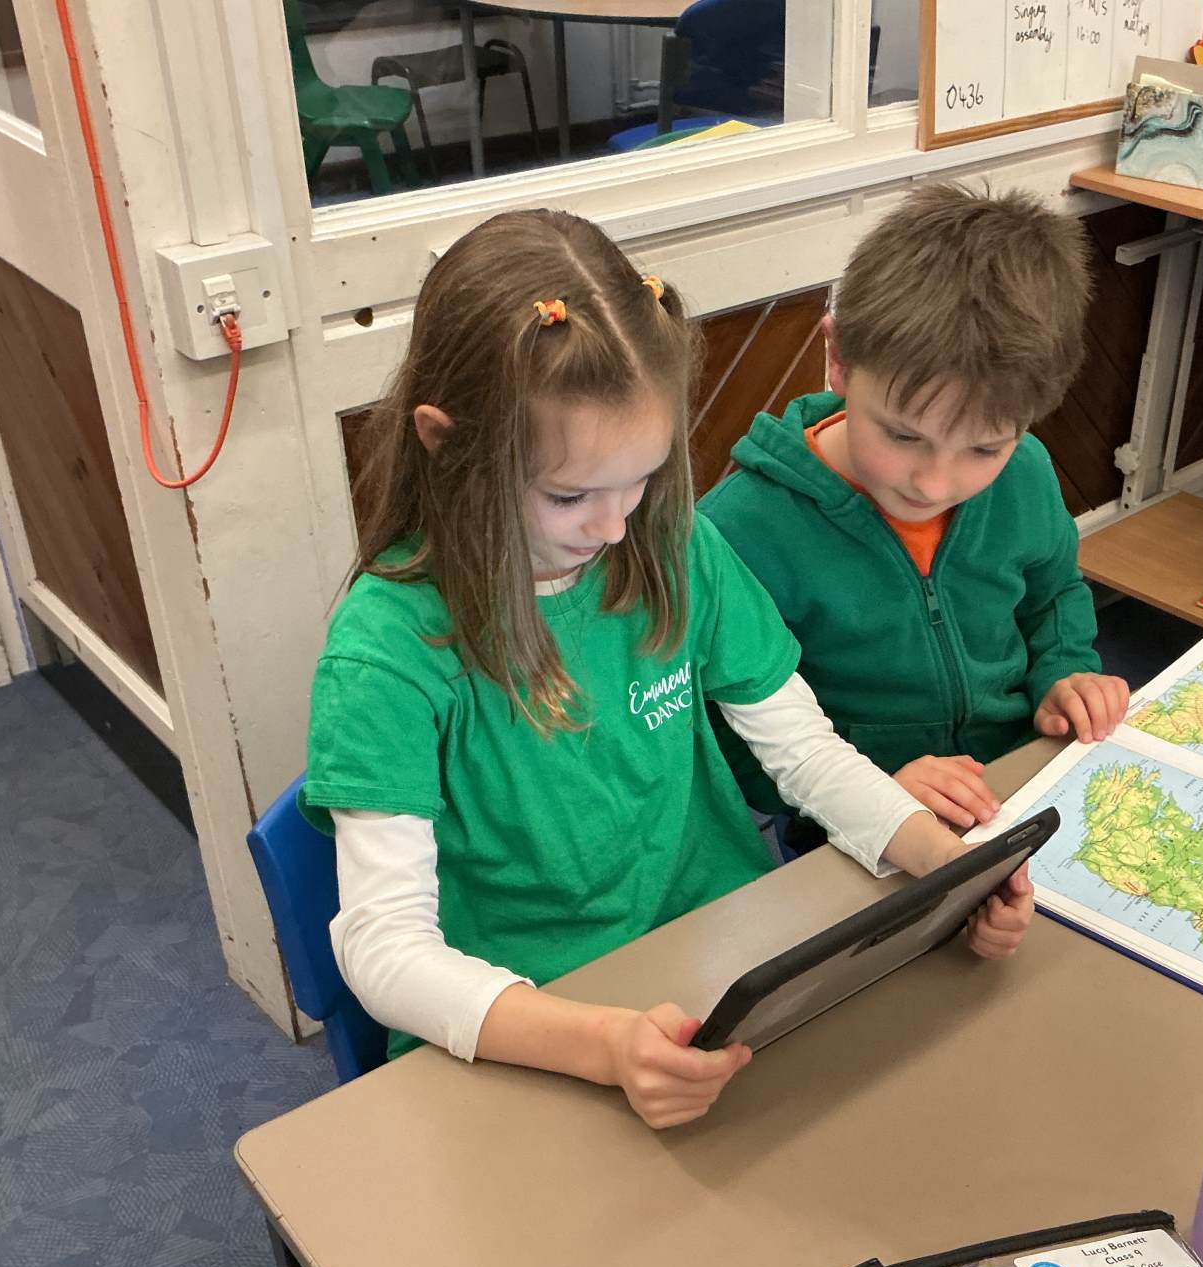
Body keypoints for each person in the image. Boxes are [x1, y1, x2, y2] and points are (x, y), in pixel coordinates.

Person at [302, 211, 1031, 1129]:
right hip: (532, 1021)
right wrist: (604, 1046)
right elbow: (385, 951)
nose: (615, 528)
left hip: (717, 968)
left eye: (642, 477)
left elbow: (804, 753)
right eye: (569, 494)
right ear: (448, 443)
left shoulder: (673, 546)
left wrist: (948, 868)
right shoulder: (387, 650)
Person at [701, 184, 1130, 837]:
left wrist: (1064, 671)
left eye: (983, 448)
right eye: (903, 435)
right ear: (839, 360)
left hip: (1017, 782)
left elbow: (1052, 596)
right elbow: (727, 727)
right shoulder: (738, 530)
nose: (933, 483)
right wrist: (869, 793)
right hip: (852, 822)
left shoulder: (1025, 473)